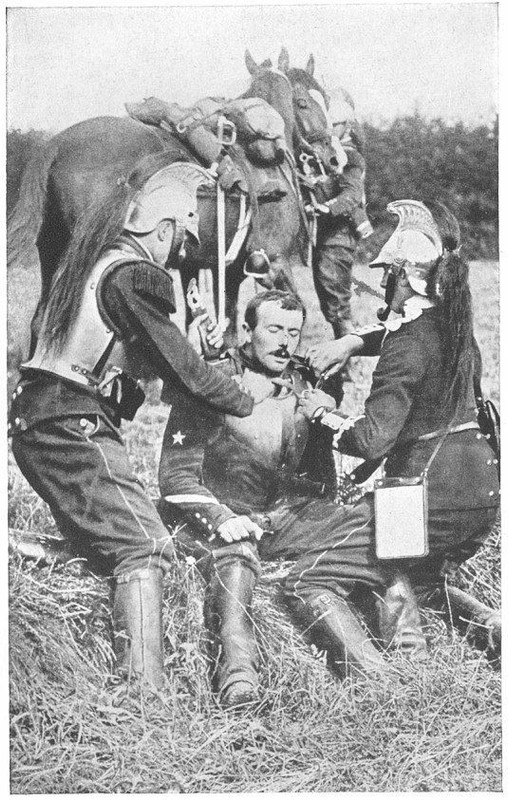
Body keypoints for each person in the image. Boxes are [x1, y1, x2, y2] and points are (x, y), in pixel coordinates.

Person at [9, 161, 255, 697]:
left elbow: (120, 368)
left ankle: (20, 554)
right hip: (68, 421)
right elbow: (183, 371)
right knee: (146, 546)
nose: (179, 253)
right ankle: (144, 695)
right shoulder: (135, 274)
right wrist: (240, 398)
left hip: (43, 415)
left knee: (106, 543)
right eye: (180, 240)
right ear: (162, 228)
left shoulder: (96, 264)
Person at [157, 289, 425, 710]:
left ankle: (410, 655)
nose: (284, 341)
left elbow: (326, 466)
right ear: (247, 330)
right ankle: (238, 675)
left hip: (290, 514)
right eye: (274, 329)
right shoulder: (212, 379)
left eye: (293, 332)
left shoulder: (305, 379)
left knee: (376, 527)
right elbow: (173, 474)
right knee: (238, 554)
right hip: (229, 514)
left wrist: (330, 415)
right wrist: (219, 515)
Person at [301, 199, 500, 635]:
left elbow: (371, 440)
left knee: (320, 569)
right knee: (423, 578)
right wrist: (352, 342)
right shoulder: (456, 328)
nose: (383, 285)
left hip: (426, 493)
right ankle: (493, 627)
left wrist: (323, 414)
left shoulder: (406, 344)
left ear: (405, 277)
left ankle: (400, 662)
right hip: (482, 494)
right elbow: (406, 332)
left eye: (388, 276)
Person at [310, 89, 373, 339]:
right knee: (331, 304)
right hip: (328, 237)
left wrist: (326, 207)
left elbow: (352, 195)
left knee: (337, 306)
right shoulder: (333, 152)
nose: (328, 129)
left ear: (346, 125)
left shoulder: (350, 155)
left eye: (333, 124)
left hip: (339, 235)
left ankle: (345, 364)